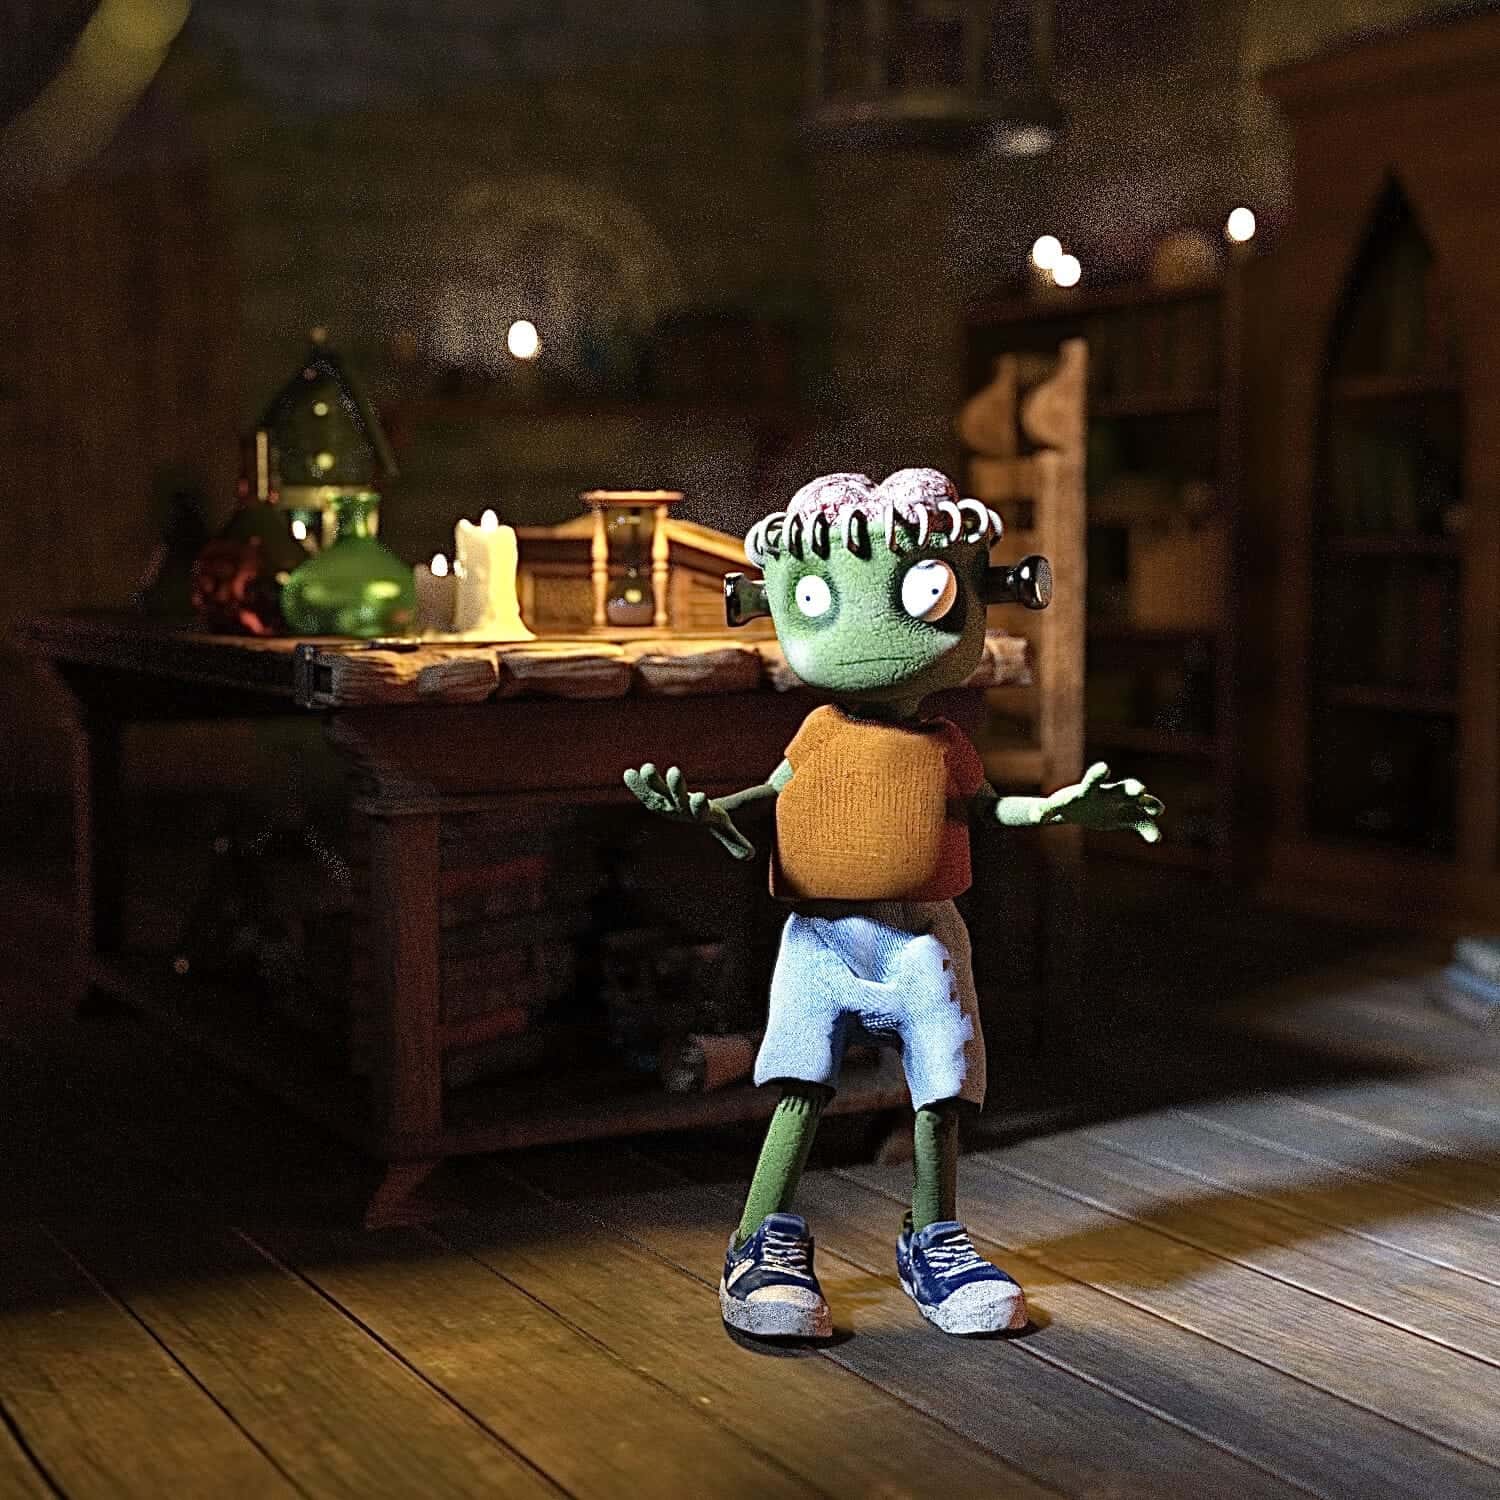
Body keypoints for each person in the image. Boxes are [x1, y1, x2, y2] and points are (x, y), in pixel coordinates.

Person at [625, 469, 1161, 1339]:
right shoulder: (818, 732)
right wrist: (709, 813)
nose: (865, 636)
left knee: (940, 1086)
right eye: (815, 599)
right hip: (821, 938)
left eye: (926, 591)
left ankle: (934, 1236)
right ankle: (759, 1239)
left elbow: (990, 810)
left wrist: (1059, 809)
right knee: (801, 1084)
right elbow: (769, 792)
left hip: (921, 937)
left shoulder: (946, 745)